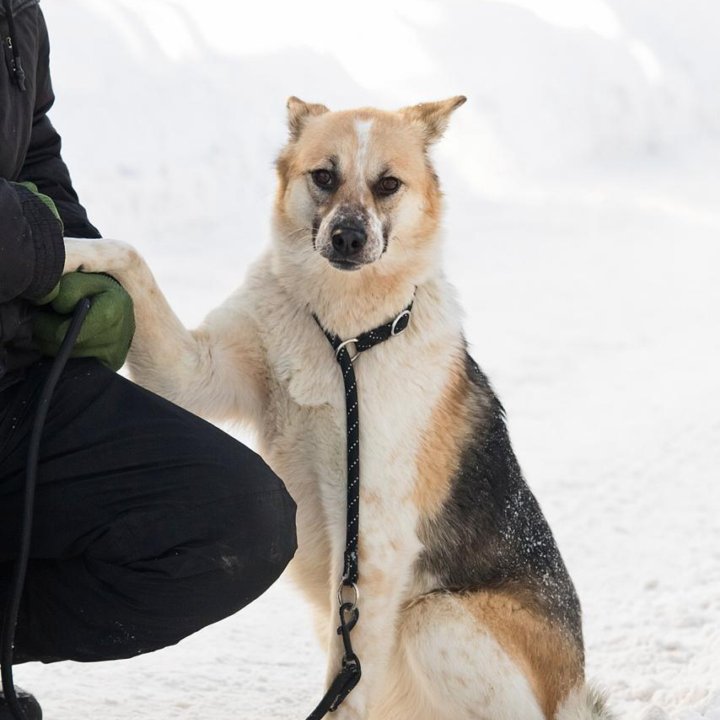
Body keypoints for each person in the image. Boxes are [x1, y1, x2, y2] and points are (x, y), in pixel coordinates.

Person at [0, 1, 297, 717]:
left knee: (237, 522)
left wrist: (81, 260)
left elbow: (32, 147)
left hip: (11, 375)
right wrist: (45, 248)